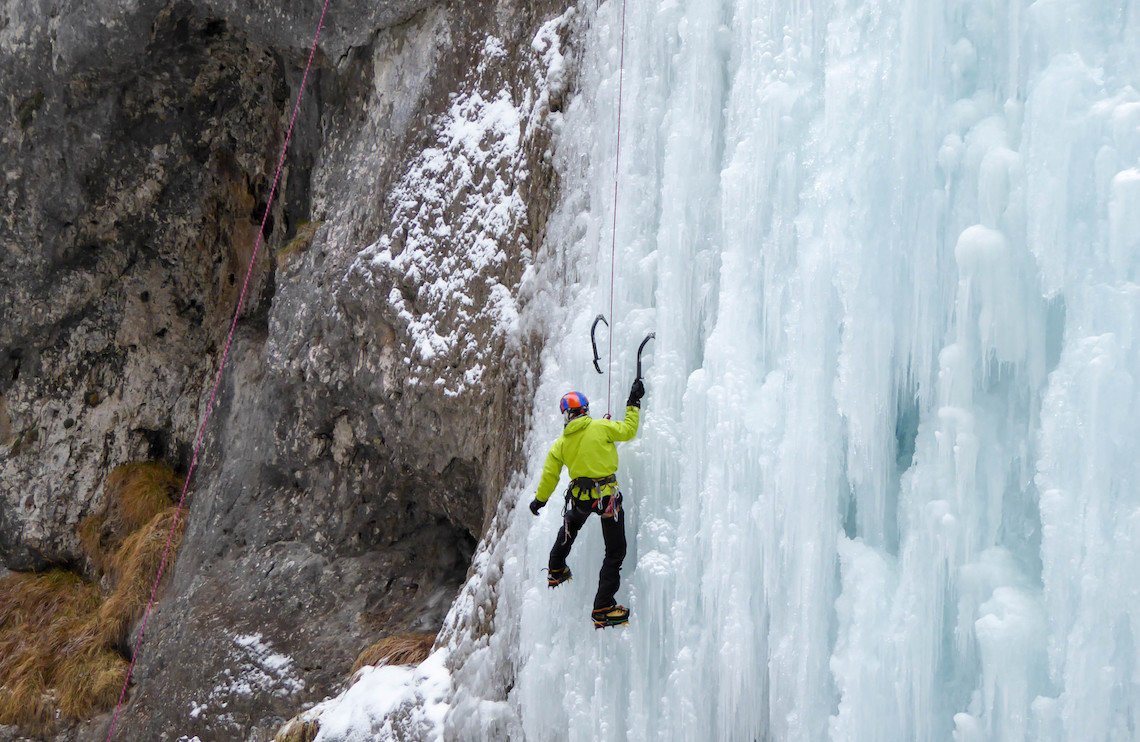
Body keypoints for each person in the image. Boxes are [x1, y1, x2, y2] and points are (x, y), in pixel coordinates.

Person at [528, 378, 645, 628]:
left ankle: (556, 568)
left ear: (568, 415)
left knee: (571, 524)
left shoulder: (561, 444)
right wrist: (633, 402)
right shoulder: (601, 427)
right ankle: (603, 606)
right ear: (585, 411)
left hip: (581, 500)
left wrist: (540, 500)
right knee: (615, 551)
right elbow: (628, 431)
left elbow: (550, 475)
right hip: (606, 499)